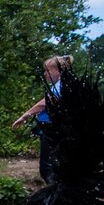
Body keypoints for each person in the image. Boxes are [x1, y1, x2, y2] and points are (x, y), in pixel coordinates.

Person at [12, 55, 73, 183]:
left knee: (47, 169)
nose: (45, 74)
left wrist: (24, 116)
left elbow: (44, 103)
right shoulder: (63, 84)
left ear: (57, 70)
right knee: (56, 166)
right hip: (54, 129)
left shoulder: (61, 85)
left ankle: (58, 196)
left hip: (52, 129)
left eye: (47, 70)